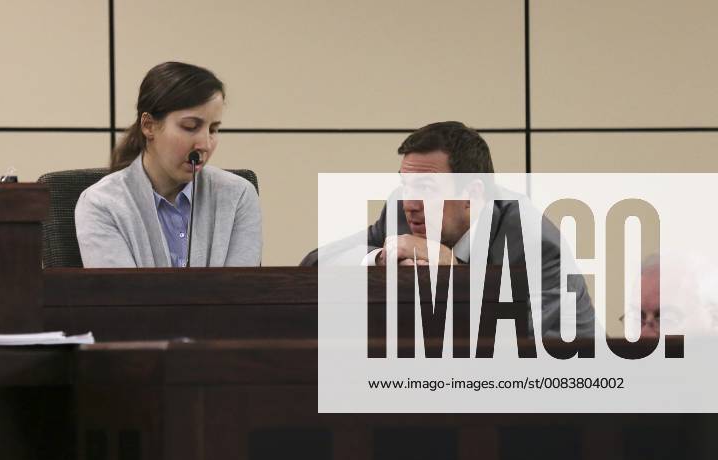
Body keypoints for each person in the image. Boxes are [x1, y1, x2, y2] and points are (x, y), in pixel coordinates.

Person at [302, 121, 595, 337]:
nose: (410, 204)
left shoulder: (532, 239)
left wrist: (456, 271)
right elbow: (314, 263)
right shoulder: (400, 211)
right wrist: (382, 258)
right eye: (406, 185)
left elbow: (525, 340)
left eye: (426, 188)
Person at [75, 62, 261, 267]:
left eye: (213, 130)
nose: (205, 144)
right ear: (148, 126)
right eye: (190, 127)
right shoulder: (101, 203)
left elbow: (241, 295)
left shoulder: (238, 195)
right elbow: (121, 297)